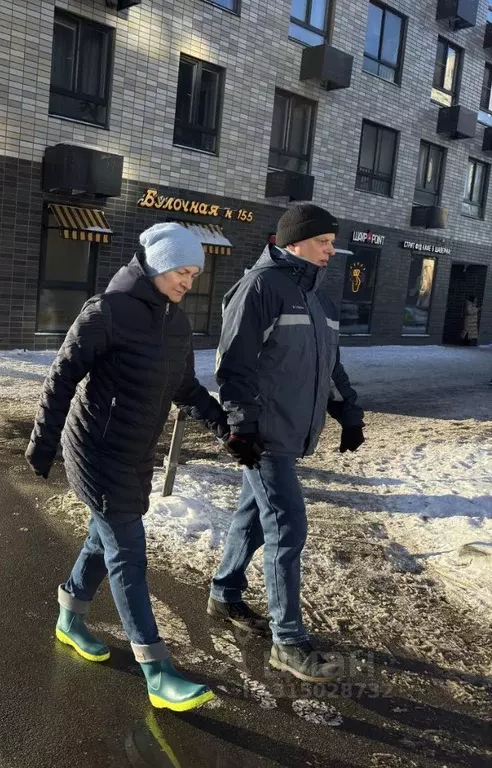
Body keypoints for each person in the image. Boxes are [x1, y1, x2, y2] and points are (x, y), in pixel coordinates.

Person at [26, 223, 229, 712]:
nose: (188, 281)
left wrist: (227, 428)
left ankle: (70, 617)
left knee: (105, 538)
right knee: (127, 552)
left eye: (194, 273)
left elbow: (184, 387)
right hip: (95, 450)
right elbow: (61, 377)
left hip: (136, 451)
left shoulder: (176, 323)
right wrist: (42, 443)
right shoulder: (106, 312)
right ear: (158, 263)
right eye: (182, 270)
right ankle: (156, 671)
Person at [209, 203, 365, 684]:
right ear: (294, 241)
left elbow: (328, 366)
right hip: (265, 434)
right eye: (324, 242)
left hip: (289, 429)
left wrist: (348, 410)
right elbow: (234, 364)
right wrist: (242, 426)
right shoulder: (260, 287)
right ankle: (288, 642)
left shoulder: (317, 298)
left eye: (333, 243)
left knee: (253, 517)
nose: (331, 251)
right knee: (287, 528)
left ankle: (224, 591)